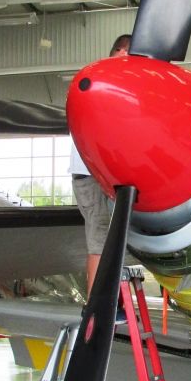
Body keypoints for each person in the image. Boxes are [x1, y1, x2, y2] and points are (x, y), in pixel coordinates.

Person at [68, 34, 132, 297]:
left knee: (108, 241)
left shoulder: (112, 84)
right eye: (128, 54)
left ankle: (108, 302)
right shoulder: (102, 83)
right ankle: (95, 307)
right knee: (100, 240)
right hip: (92, 175)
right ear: (118, 51)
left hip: (103, 176)